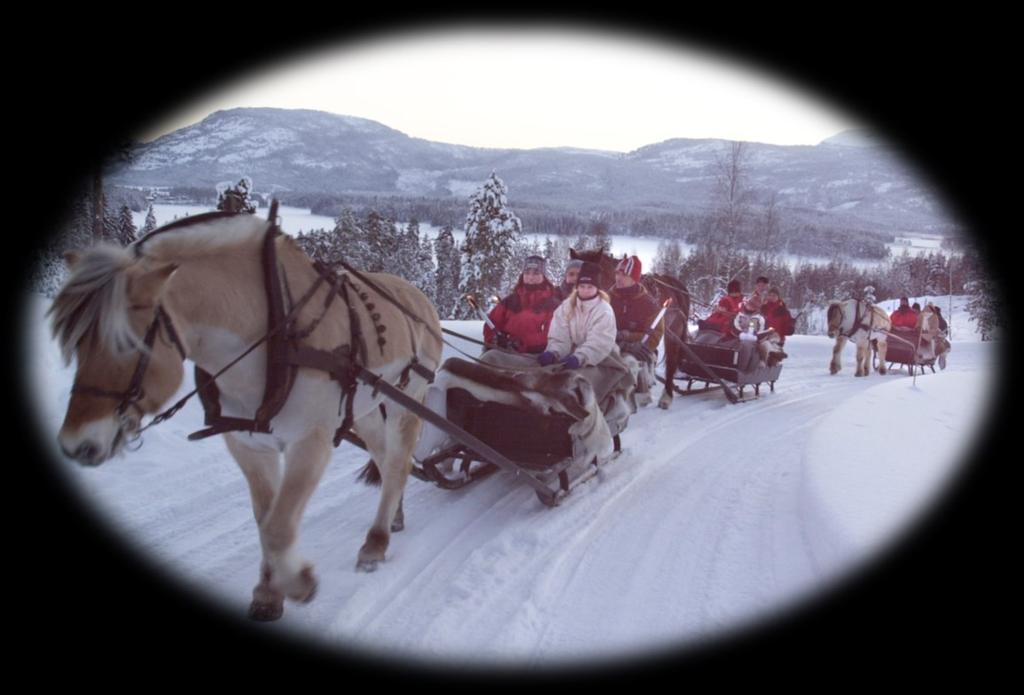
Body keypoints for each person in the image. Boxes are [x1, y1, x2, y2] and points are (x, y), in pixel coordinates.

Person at [538, 262, 618, 371]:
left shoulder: (604, 311)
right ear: (577, 287)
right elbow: (560, 335)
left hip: (597, 356)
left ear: (597, 288)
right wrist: (554, 352)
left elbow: (599, 341)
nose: (585, 291)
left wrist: (580, 358)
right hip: (572, 353)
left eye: (590, 287)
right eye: (582, 286)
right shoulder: (567, 306)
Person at [609, 255, 663, 406]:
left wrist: (630, 338)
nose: (618, 278)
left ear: (634, 278)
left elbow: (655, 335)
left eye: (624, 275)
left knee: (628, 362)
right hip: (609, 344)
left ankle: (638, 394)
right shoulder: (607, 298)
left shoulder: (648, 304)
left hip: (637, 349)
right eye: (617, 273)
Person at [483, 255, 560, 354]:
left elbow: (557, 335)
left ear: (544, 276)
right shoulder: (509, 301)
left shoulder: (554, 305)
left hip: (539, 358)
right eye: (527, 273)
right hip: (507, 354)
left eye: (536, 273)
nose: (531, 277)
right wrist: (495, 340)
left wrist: (528, 345)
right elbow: (491, 324)